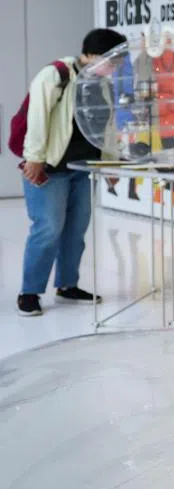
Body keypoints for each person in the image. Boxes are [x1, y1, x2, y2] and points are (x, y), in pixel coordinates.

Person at [18, 28, 127, 317]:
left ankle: (68, 285)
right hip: (50, 167)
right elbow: (37, 117)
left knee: (76, 230)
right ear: (92, 54)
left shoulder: (102, 85)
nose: (114, 68)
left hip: (84, 168)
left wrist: (111, 164)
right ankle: (29, 292)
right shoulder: (56, 75)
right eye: (112, 61)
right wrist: (34, 158)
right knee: (48, 228)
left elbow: (107, 127)